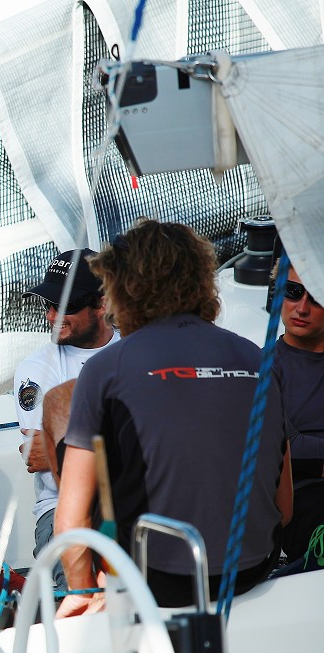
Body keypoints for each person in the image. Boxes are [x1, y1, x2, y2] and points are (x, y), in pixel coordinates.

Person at [55, 219, 292, 614]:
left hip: (161, 584)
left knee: (56, 407)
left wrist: (82, 595)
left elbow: (71, 524)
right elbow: (283, 509)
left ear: (120, 288)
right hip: (252, 568)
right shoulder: (256, 357)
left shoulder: (104, 369)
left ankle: (90, 589)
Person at [13, 249, 118, 589]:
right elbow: (38, 455)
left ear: (101, 305)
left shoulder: (137, 347)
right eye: (48, 304)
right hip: (60, 507)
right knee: (79, 588)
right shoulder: (36, 368)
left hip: (134, 499)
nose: (52, 316)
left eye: (66, 306)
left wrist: (72, 441)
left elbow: (58, 451)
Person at [274, 264, 324, 564]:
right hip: (302, 499)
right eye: (293, 292)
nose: (301, 307)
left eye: (316, 296)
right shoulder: (260, 364)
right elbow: (287, 442)